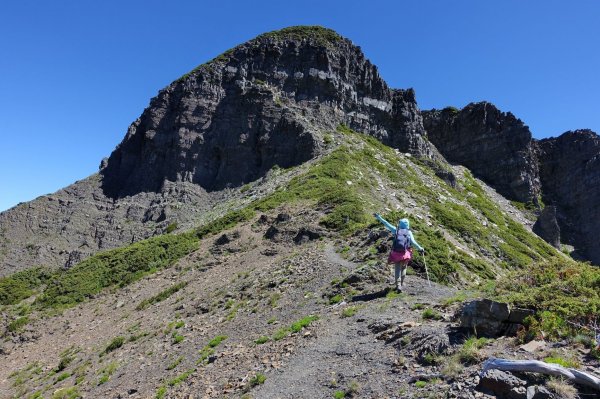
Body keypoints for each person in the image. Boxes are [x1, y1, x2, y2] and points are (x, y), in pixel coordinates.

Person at [373, 213, 424, 292]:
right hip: (406, 253)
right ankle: (402, 283)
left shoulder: (396, 230)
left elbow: (386, 224)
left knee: (397, 269)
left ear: (400, 224)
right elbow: (413, 242)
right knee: (404, 268)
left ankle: (398, 285)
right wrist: (420, 248)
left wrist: (379, 217)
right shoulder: (409, 232)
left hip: (396, 252)